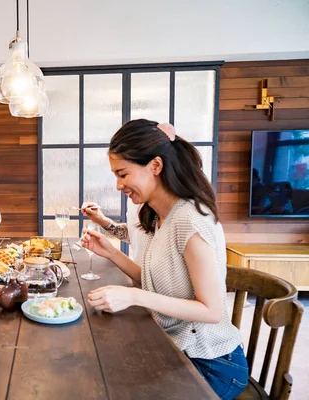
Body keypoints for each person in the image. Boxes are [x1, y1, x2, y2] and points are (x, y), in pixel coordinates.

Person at [82, 119, 248, 400]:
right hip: (172, 344)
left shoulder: (192, 220)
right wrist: (110, 252)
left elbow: (211, 311)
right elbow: (150, 279)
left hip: (210, 363)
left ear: (155, 166)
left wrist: (135, 297)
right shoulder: (155, 215)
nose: (119, 185)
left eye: (123, 174)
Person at [80, 198, 144, 264]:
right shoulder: (131, 201)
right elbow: (131, 233)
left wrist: (111, 253)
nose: (119, 188)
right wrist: (102, 219)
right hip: (140, 271)